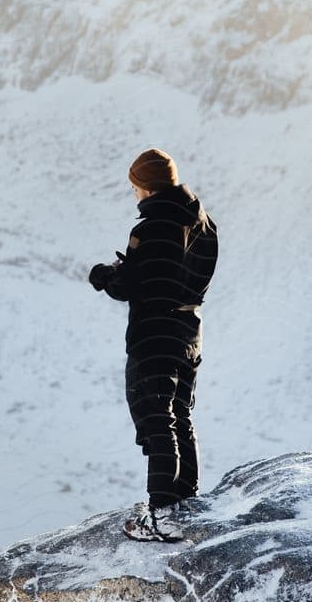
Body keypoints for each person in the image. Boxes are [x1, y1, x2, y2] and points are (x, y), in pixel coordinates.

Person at [88, 148, 218, 542]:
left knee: (154, 415)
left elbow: (136, 286)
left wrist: (107, 276)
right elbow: (171, 272)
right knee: (178, 413)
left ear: (146, 186)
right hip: (188, 330)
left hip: (154, 332)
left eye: (135, 187)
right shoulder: (203, 223)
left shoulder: (154, 226)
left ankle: (162, 513)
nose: (135, 195)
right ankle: (185, 502)